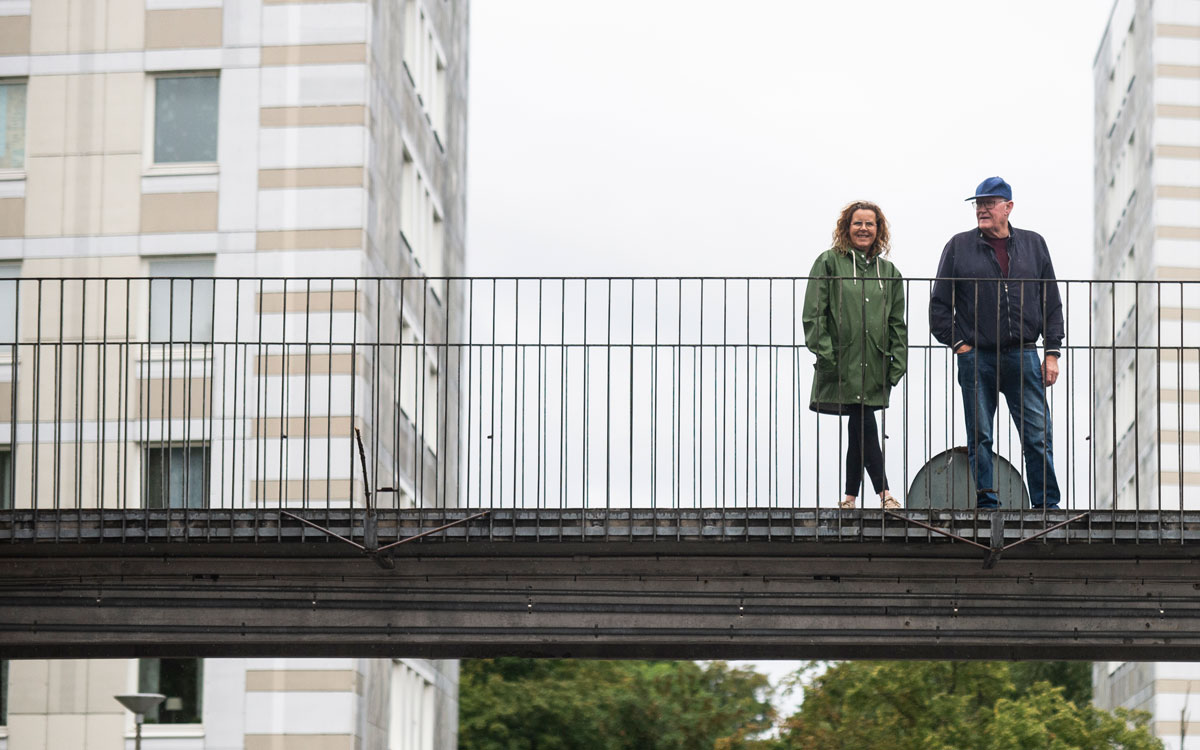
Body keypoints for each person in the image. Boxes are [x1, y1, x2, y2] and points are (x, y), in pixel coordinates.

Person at [929, 176, 1063, 510]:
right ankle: (987, 501)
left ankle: (1047, 504)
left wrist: (1052, 352)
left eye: (989, 203)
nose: (982, 210)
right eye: (978, 204)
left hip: (1024, 355)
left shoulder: (1035, 244)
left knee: (1037, 434)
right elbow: (939, 306)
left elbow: (1051, 302)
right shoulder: (958, 246)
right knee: (980, 436)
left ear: (1008, 207)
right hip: (977, 357)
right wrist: (960, 344)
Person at [803, 200, 907, 510]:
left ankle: (850, 498)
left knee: (859, 425)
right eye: (857, 223)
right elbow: (814, 313)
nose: (863, 229)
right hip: (841, 361)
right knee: (863, 421)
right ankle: (884, 493)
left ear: (879, 230)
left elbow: (897, 322)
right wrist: (826, 355)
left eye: (870, 224)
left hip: (874, 362)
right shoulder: (829, 263)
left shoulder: (888, 272)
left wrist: (897, 362)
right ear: (847, 228)